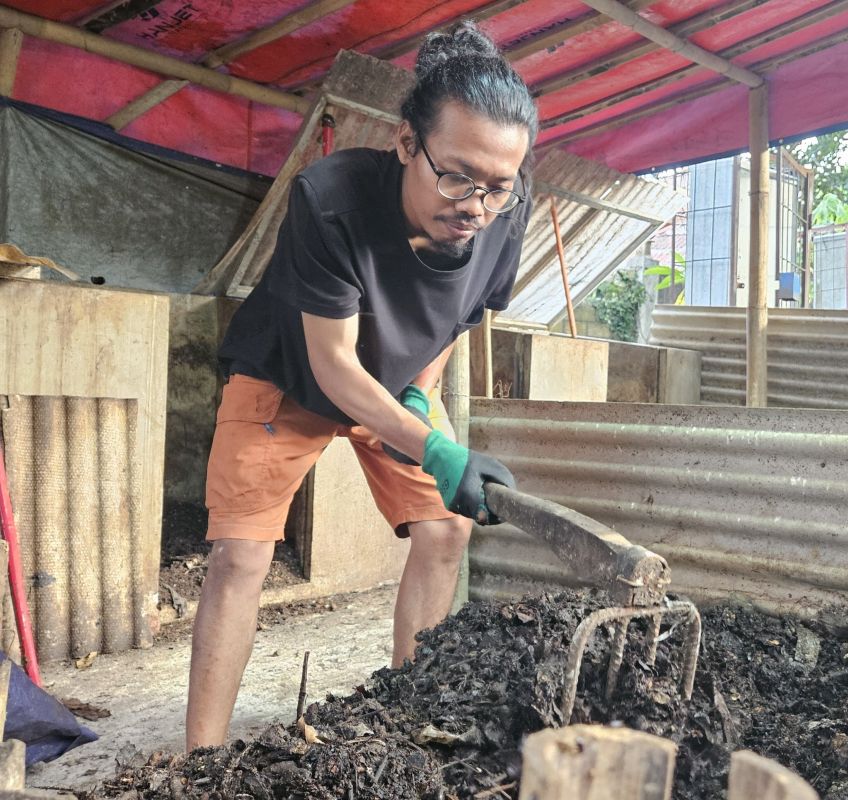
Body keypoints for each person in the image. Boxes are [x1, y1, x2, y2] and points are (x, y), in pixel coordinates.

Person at [185, 21, 536, 751]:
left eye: (498, 187)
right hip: (290, 375)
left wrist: (420, 389)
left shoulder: (506, 215)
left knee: (445, 530)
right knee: (241, 556)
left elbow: (458, 314)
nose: (475, 204)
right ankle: (202, 760)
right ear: (407, 144)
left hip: (396, 383)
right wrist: (437, 449)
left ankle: (411, 721)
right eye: (457, 175)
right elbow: (334, 365)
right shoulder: (331, 197)